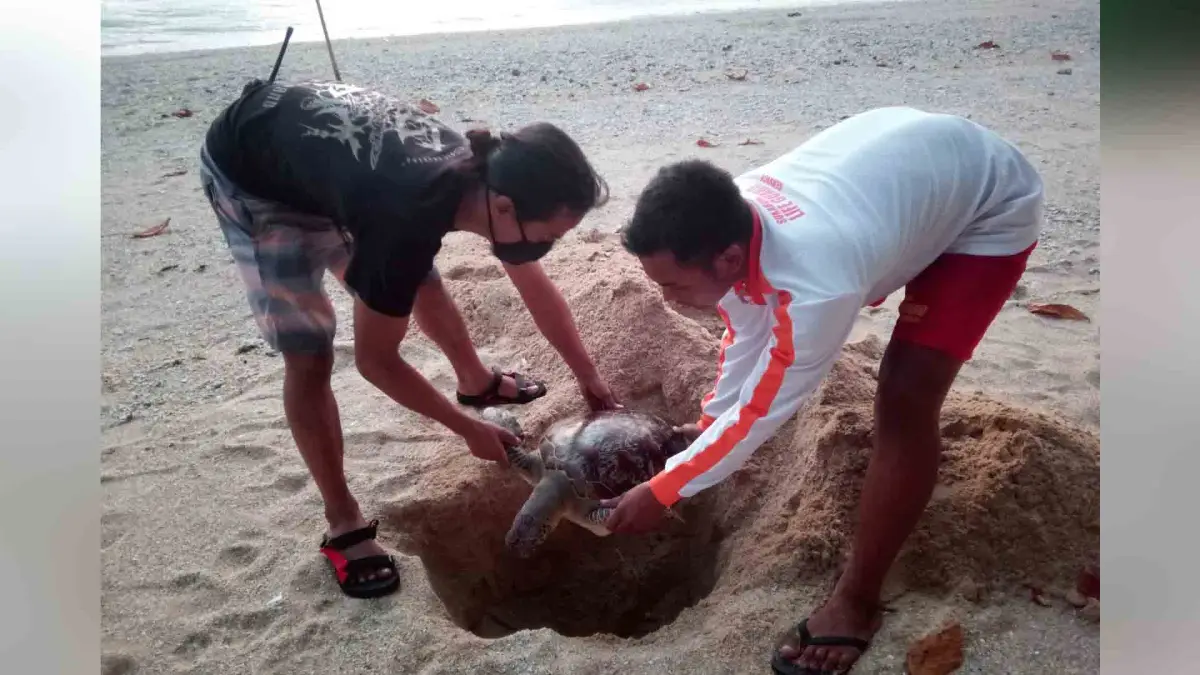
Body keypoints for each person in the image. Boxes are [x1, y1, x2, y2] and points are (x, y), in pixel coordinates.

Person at [607, 106, 1043, 673]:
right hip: (908, 166)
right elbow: (747, 333)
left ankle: (857, 601)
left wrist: (666, 489)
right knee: (763, 373)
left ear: (729, 258)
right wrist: (709, 425)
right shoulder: (726, 217)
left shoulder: (814, 284)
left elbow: (764, 410)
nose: (665, 298)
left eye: (672, 283)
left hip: (988, 200)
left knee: (904, 397)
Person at [199, 79, 618, 600]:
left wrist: (590, 378)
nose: (548, 249)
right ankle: (342, 521)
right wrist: (463, 427)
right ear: (504, 207)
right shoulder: (404, 217)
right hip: (255, 177)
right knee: (310, 353)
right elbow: (376, 362)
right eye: (549, 236)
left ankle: (475, 380)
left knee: (421, 280)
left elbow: (533, 281)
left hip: (327, 164)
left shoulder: (485, 172)